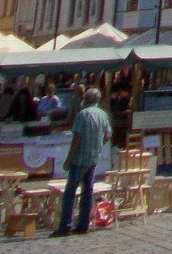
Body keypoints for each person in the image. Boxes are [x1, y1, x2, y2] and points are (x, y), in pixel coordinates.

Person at [53, 87, 112, 238]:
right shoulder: (103, 114)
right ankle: (83, 224)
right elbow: (108, 135)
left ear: (86, 99)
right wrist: (98, 145)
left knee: (70, 192)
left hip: (80, 158)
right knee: (88, 192)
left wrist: (68, 159)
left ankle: (65, 225)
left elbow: (76, 139)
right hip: (93, 158)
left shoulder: (83, 114)